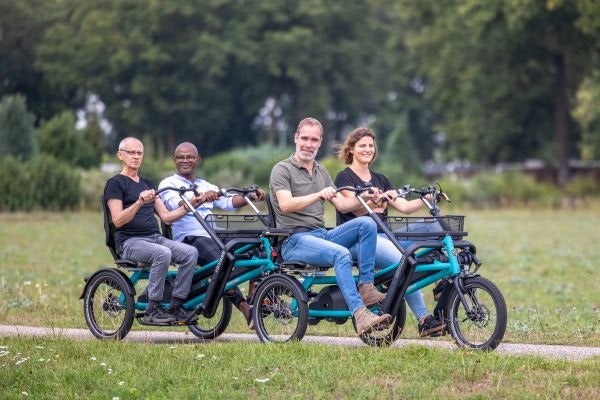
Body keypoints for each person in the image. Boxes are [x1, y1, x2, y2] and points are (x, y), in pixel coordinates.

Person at [269, 117, 392, 336]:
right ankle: (360, 314)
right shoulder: (282, 169)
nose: (309, 144)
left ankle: (366, 287)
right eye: (305, 138)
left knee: (366, 223)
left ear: (320, 142)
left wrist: (367, 198)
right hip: (293, 240)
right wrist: (317, 194)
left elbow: (344, 205)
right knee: (341, 254)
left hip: (320, 235)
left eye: (314, 140)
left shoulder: (321, 171)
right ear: (296, 138)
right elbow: (286, 205)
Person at [334, 127, 446, 337]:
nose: (368, 149)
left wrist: (427, 199)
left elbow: (403, 206)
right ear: (352, 150)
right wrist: (374, 200)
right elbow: (353, 208)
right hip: (360, 242)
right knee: (405, 261)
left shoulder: (380, 178)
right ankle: (424, 319)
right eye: (362, 146)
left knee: (432, 227)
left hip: (385, 235)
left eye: (370, 145)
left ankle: (443, 281)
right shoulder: (344, 178)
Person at [158, 142, 265, 329]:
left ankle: (254, 296)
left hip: (214, 234)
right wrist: (200, 199)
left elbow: (230, 203)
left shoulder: (205, 184)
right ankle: (246, 309)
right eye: (181, 157)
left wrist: (250, 196)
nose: (185, 160)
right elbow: (176, 206)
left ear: (197, 160)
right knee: (222, 263)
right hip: (190, 238)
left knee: (259, 246)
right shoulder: (169, 184)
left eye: (190, 157)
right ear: (174, 160)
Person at [104, 137, 199, 325]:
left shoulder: (147, 183)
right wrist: (139, 202)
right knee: (162, 253)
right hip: (129, 242)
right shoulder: (115, 183)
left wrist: (190, 205)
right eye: (131, 152)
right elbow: (118, 220)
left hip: (154, 238)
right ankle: (152, 309)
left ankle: (176, 305)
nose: (136, 156)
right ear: (120, 155)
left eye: (140, 153)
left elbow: (166, 217)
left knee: (190, 253)